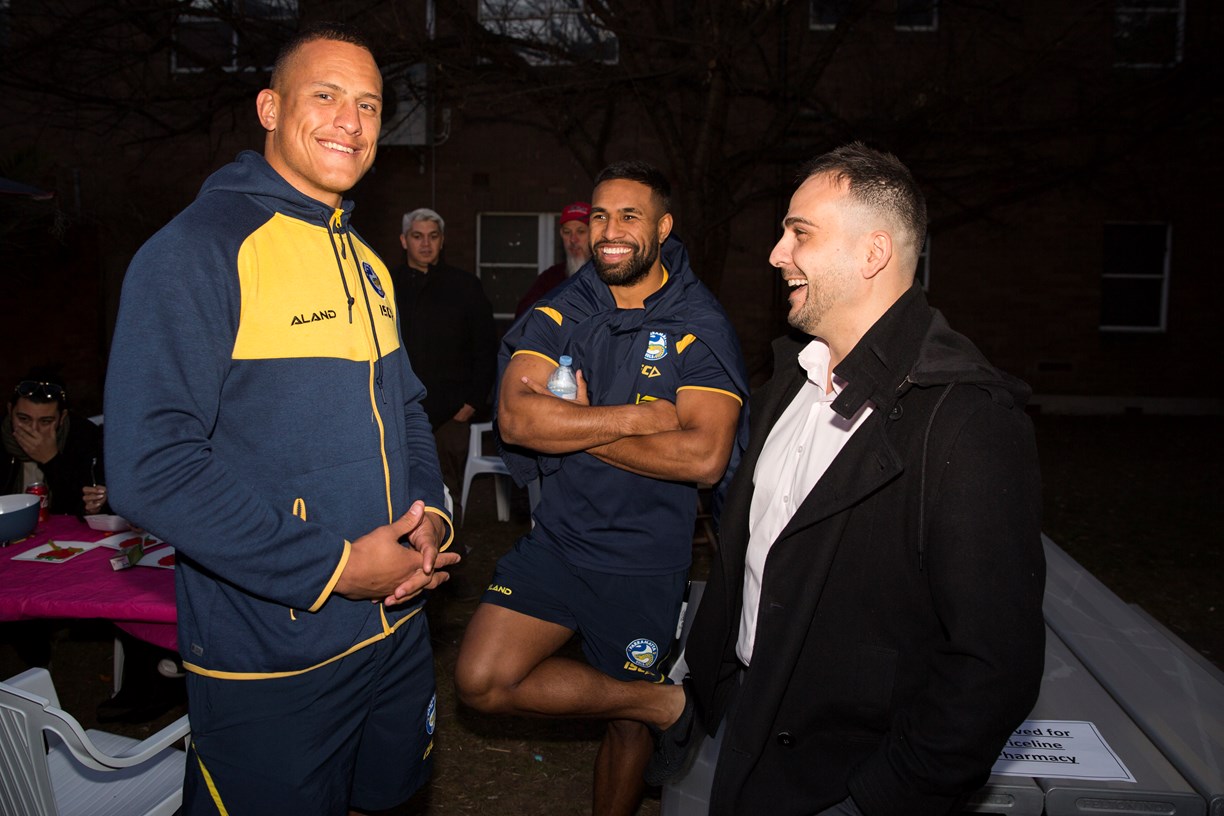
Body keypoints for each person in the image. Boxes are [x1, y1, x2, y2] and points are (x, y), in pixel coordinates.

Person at [104, 24, 460, 816]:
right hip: (275, 648)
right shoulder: (197, 250)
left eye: (369, 105)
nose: (350, 122)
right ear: (269, 108)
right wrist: (334, 568)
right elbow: (150, 466)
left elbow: (405, 407)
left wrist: (431, 517)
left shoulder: (368, 262)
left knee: (390, 800)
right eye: (325, 96)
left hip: (397, 627)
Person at [652, 142, 1045, 815]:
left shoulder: (966, 420)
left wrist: (875, 799)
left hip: (845, 781)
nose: (776, 254)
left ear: (873, 252)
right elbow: (751, 556)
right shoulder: (790, 379)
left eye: (799, 233)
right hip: (747, 731)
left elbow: (992, 667)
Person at [454, 160, 749, 816]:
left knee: (623, 731)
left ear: (664, 228)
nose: (609, 231)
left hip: (644, 560)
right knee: (481, 680)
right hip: (559, 543)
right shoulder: (562, 309)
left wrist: (574, 426)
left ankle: (638, 715)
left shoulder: (698, 324)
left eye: (629, 216)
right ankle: (663, 703)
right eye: (600, 216)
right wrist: (639, 419)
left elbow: (704, 456)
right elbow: (518, 420)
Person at [392, 208, 497, 524]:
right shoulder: (387, 284)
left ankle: (452, 546)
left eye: (433, 236)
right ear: (404, 240)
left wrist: (472, 403)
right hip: (400, 410)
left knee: (449, 488)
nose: (425, 244)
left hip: (452, 413)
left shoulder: (464, 286)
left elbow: (486, 347)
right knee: (399, 487)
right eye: (417, 236)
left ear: (442, 241)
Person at [2, 377, 106, 517]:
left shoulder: (84, 438)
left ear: (62, 417)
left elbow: (83, 505)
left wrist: (51, 460)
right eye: (24, 419)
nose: (34, 429)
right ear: (10, 410)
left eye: (45, 421)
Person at [514, 200, 592, 318]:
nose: (573, 239)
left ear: (593, 234)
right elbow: (524, 313)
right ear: (561, 234)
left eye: (581, 231)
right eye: (567, 232)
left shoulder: (607, 275)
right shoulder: (551, 278)